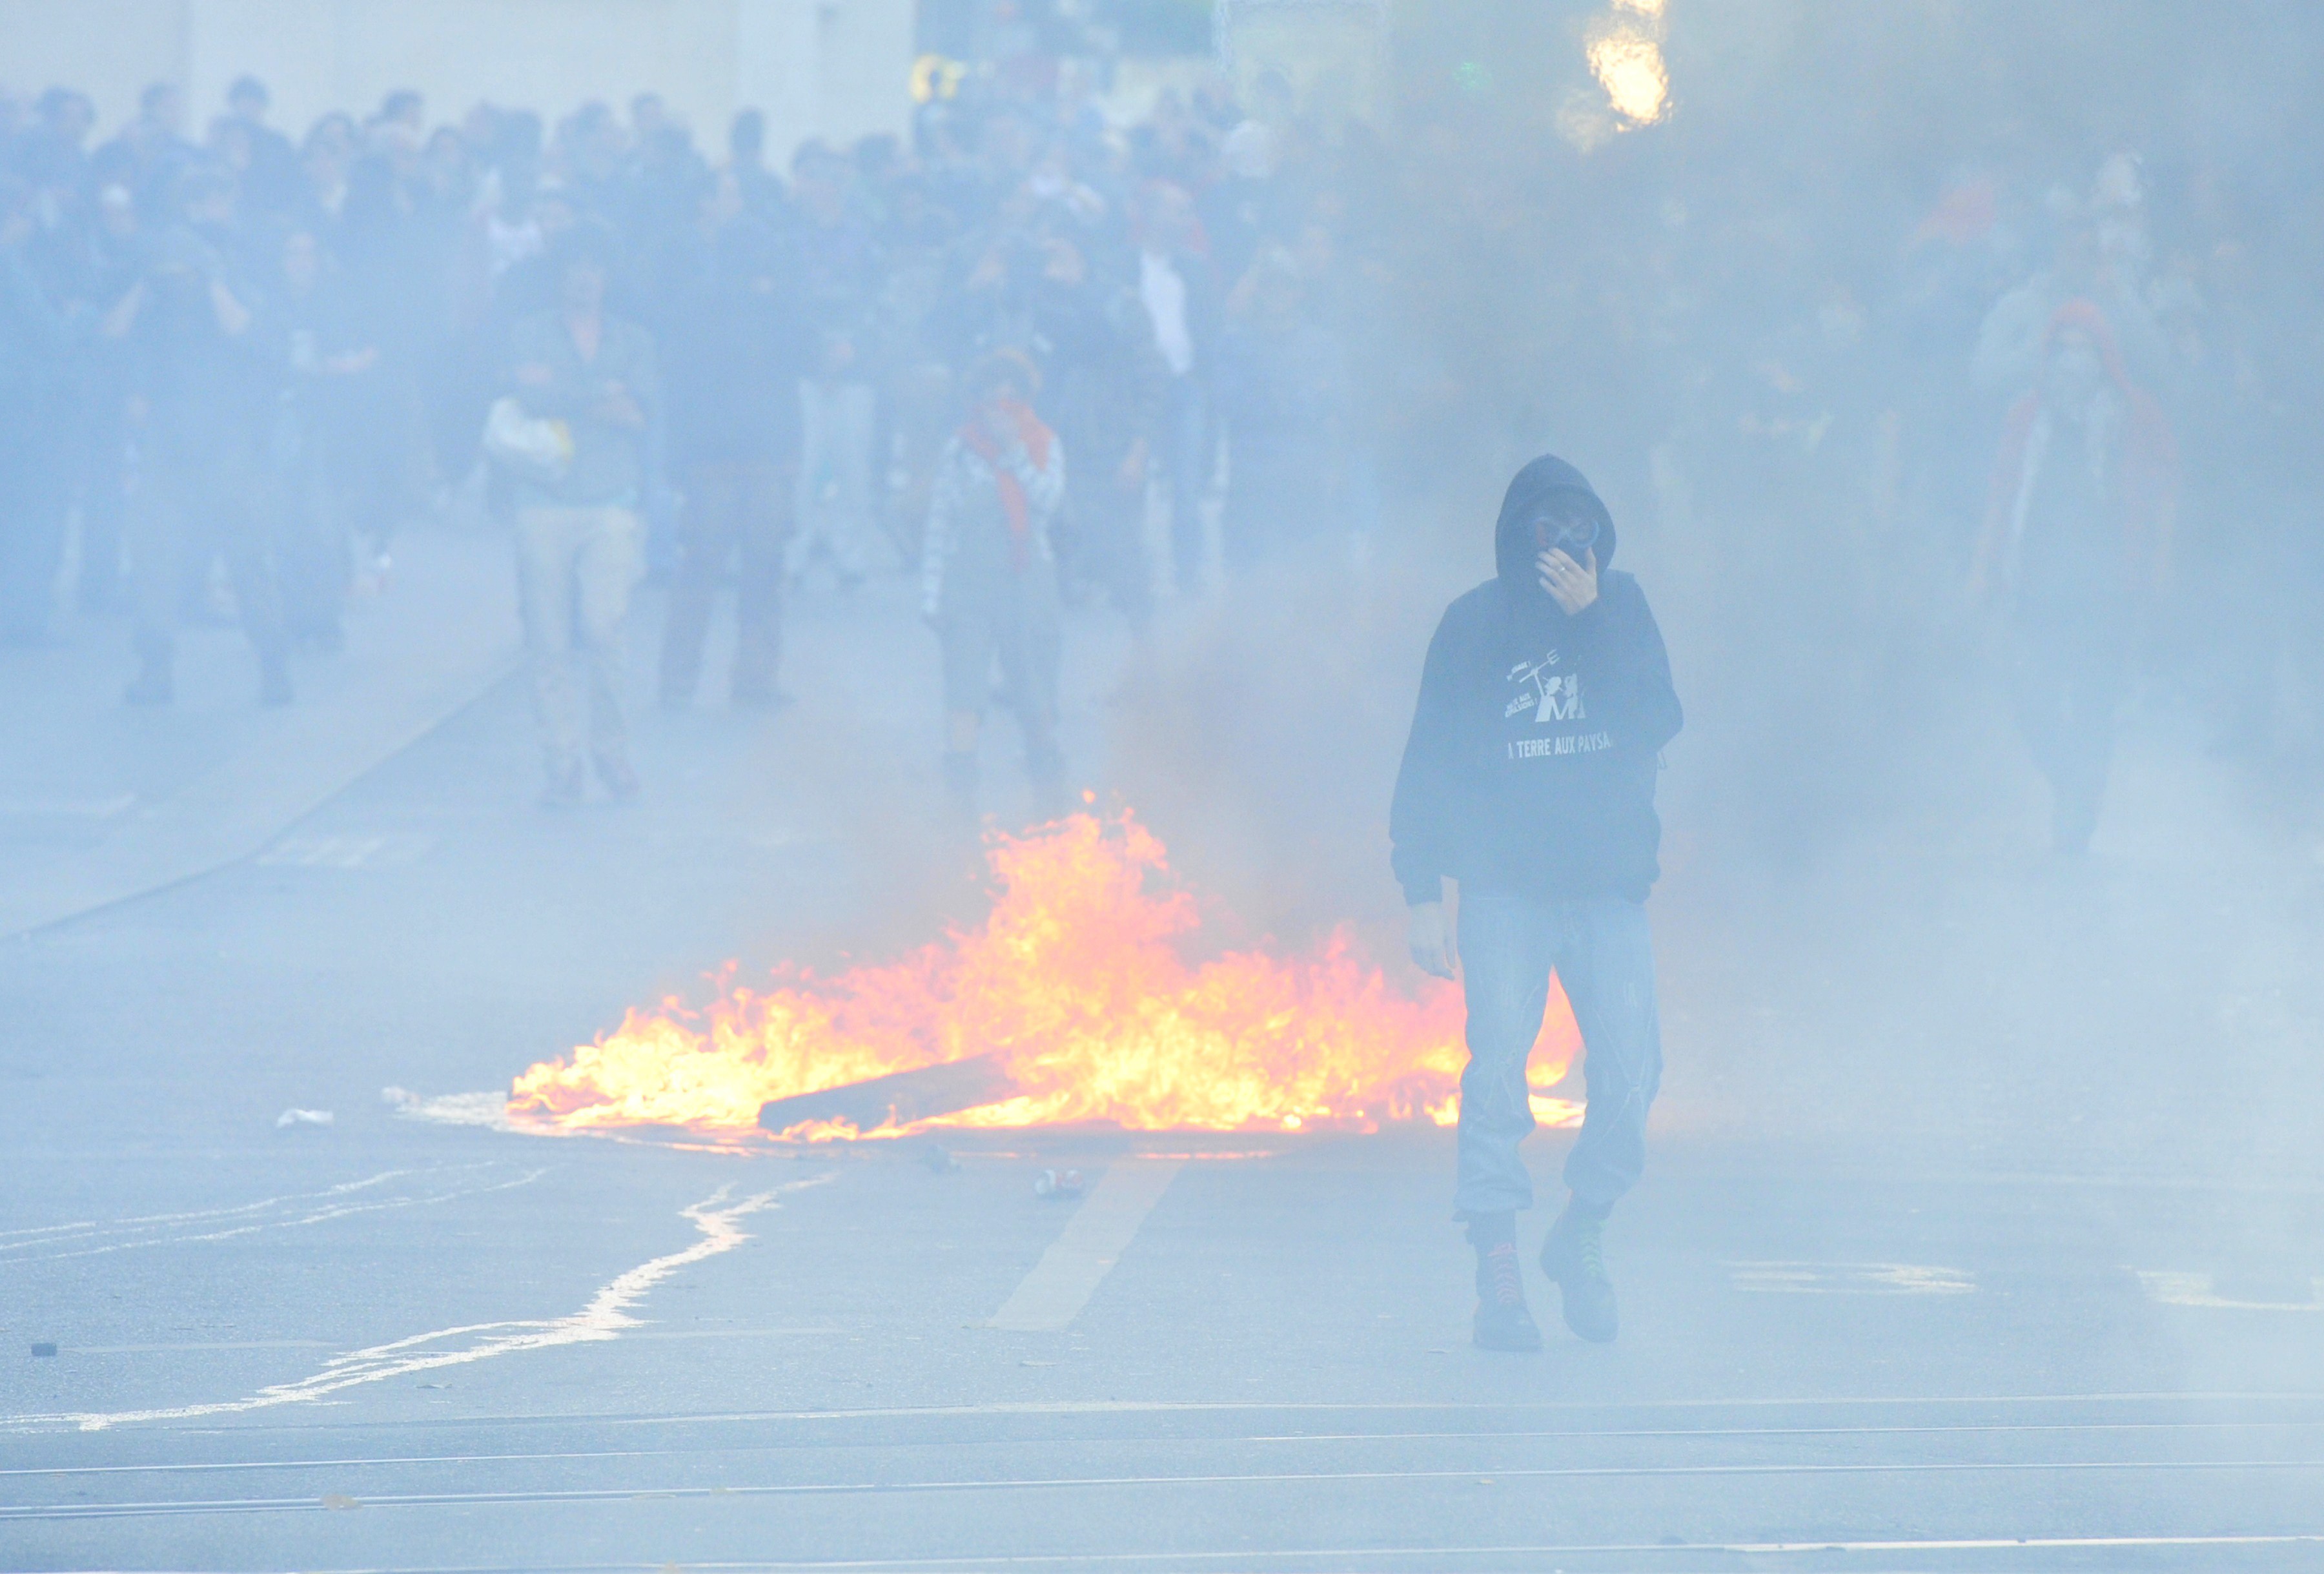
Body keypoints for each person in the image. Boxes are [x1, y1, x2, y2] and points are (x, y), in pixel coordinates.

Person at [1390, 455, 1684, 1352]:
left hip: (1604, 887)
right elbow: (1428, 757)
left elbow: (1657, 721)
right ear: (1519, 535)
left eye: (1580, 528)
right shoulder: (1473, 623)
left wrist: (1591, 623)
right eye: (1547, 529)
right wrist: (1420, 890)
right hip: (1504, 886)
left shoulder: (1623, 608)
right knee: (1496, 1077)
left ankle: (1582, 1226)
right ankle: (1499, 1270)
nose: (1564, 546)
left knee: (1634, 1071)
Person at [1971, 300, 2176, 857]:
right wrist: (1983, 567)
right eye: (2063, 347)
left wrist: (2156, 572)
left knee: (2093, 701)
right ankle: (2069, 778)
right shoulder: (2027, 416)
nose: (2072, 361)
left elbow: (2162, 500)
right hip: (2035, 577)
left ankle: (2078, 812)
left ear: (2105, 354)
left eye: (2084, 348)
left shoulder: (2137, 415)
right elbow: (2003, 492)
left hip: (2107, 582)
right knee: (2027, 692)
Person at [504, 226, 659, 806]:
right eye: (576, 265)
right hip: (542, 499)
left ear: (607, 276)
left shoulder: (634, 340)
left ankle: (610, 748)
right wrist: (602, 396)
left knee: (604, 627)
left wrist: (567, 390)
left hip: (610, 501)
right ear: (561, 274)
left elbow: (641, 412)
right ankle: (561, 759)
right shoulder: (528, 333)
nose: (585, 276)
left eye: (595, 266)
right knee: (546, 639)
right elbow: (530, 398)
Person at [655, 170, 808, 710]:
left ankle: (723, 679)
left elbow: (794, 369)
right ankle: (703, 680)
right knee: (714, 571)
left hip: (750, 459)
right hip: (721, 462)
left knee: (753, 572)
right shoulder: (699, 309)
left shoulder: (768, 306)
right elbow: (680, 389)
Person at [921, 349, 1067, 823]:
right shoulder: (960, 451)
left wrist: (1015, 454)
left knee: (1032, 690)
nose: (999, 411)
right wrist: (931, 593)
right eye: (990, 401)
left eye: (1010, 400)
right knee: (964, 688)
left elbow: (1047, 504)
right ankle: (959, 803)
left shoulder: (1044, 444)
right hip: (970, 582)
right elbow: (940, 523)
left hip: (1027, 582)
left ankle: (1047, 793)